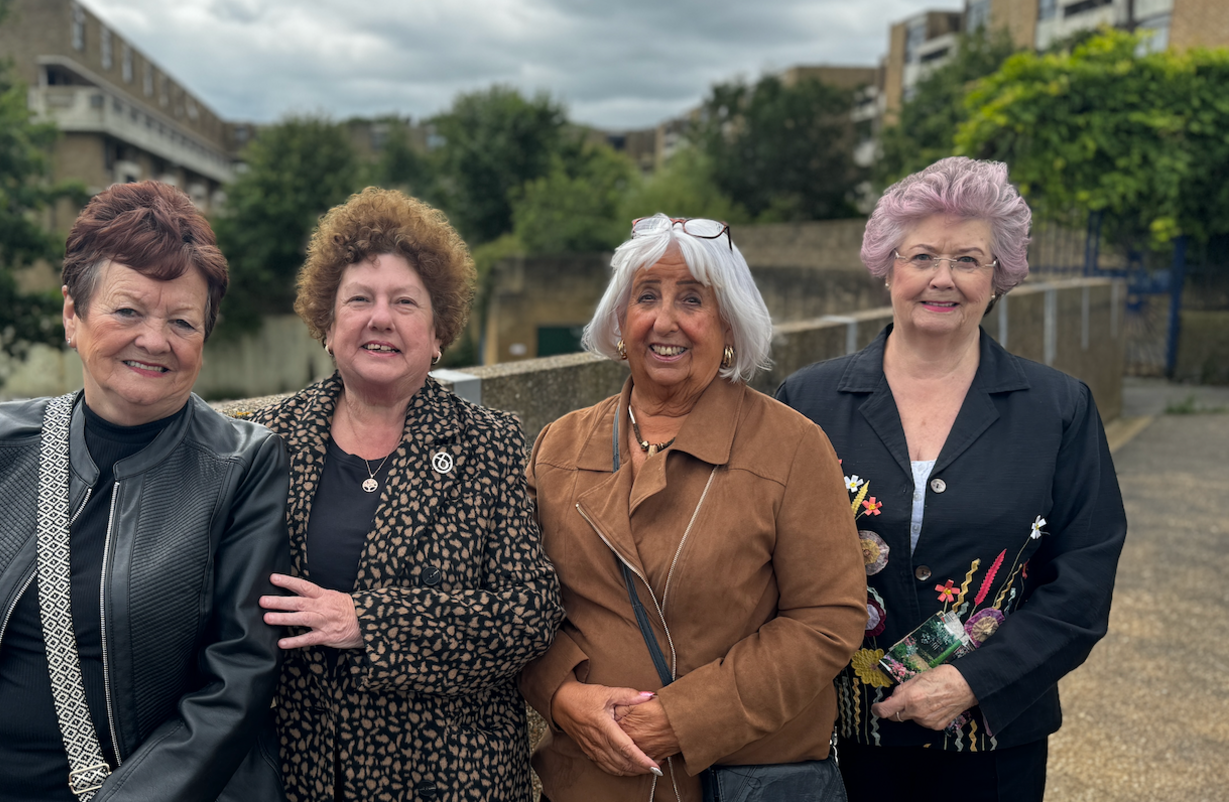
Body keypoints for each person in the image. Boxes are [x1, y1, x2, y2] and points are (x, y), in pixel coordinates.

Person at [0, 181, 290, 802]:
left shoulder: (240, 466)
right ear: (71, 315)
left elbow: (238, 678)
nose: (155, 339)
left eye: (182, 321)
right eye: (128, 310)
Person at [775, 158, 1128, 802]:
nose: (943, 279)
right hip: (839, 737)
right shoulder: (809, 400)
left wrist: (973, 681)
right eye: (923, 257)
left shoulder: (1057, 408)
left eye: (969, 260)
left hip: (993, 741)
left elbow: (1084, 576)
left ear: (1000, 277)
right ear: (889, 266)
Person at [520, 214, 868, 802]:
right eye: (646, 297)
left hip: (740, 781)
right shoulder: (559, 444)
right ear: (619, 320)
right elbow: (519, 601)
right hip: (591, 780)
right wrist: (561, 694)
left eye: (692, 300)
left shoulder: (792, 445)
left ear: (729, 325)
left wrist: (679, 719)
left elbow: (827, 618)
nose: (664, 321)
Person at [250, 187, 562, 802]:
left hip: (452, 779)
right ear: (328, 322)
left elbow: (530, 613)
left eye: (404, 302)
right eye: (359, 299)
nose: (380, 318)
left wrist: (369, 620)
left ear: (438, 330)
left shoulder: (488, 444)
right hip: (306, 776)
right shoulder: (269, 442)